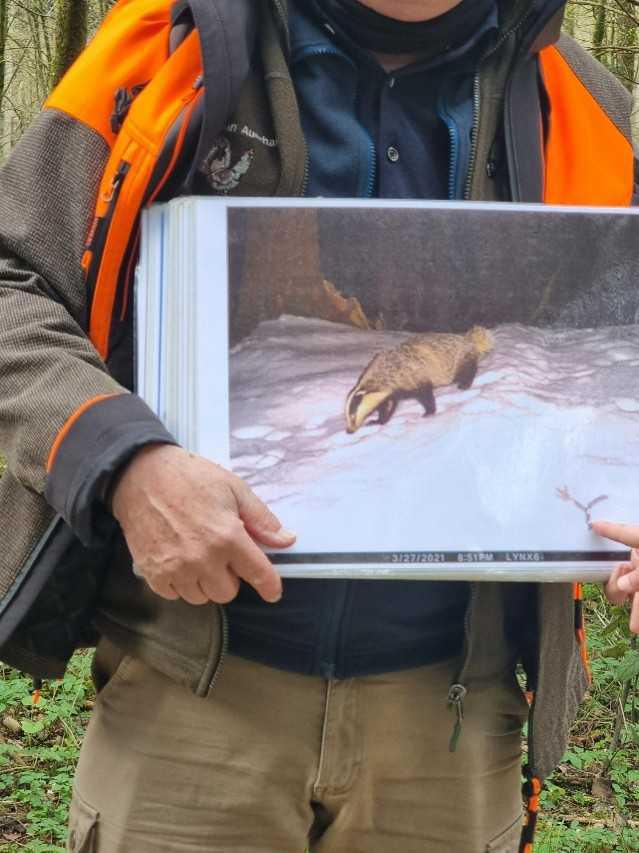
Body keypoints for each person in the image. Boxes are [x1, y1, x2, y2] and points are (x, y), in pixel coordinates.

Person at [0, 1, 636, 851]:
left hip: (451, 723)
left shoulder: (582, 104)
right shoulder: (166, 44)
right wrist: (120, 459)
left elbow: (615, 339)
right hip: (189, 701)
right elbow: (11, 280)